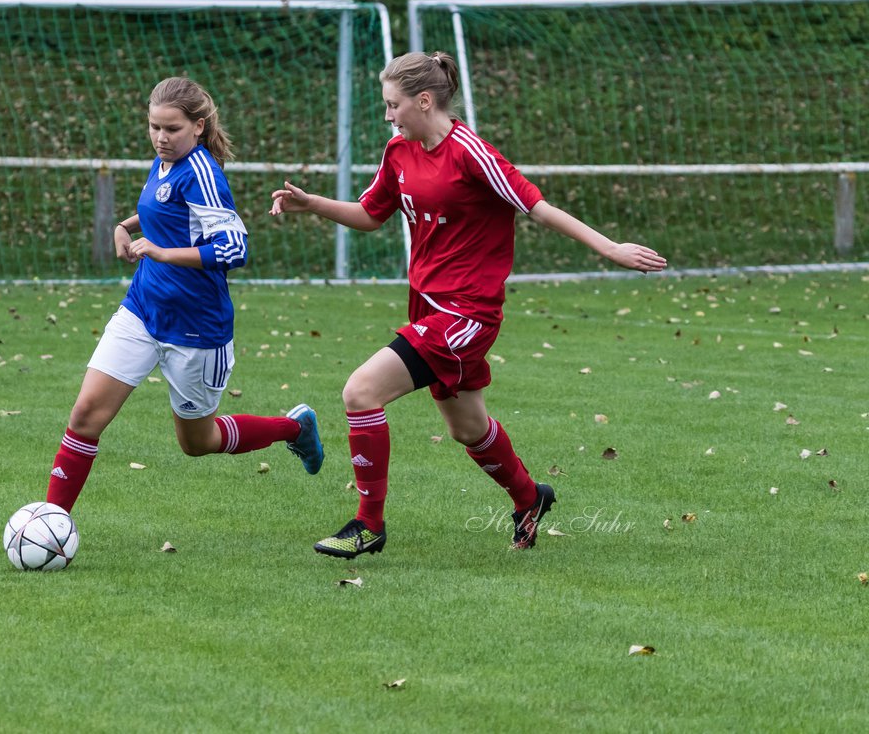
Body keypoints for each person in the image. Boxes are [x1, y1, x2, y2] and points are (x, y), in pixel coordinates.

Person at [269, 52, 667, 558]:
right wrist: (315, 204)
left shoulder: (470, 153)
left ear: (425, 100)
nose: (388, 115)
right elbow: (372, 213)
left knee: (360, 392)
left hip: (467, 315)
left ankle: (368, 525)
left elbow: (537, 207)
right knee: (468, 428)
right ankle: (530, 498)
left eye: (393, 105)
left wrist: (610, 248)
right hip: (428, 307)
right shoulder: (399, 151)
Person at [44, 76, 325, 516]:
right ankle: (50, 522)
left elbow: (235, 248)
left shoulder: (203, 172)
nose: (160, 138)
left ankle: (293, 428)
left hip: (196, 328)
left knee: (198, 442)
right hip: (142, 310)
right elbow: (163, 207)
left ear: (198, 126)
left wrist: (161, 252)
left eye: (171, 129)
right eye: (154, 127)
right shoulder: (165, 163)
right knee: (85, 417)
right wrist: (126, 226)